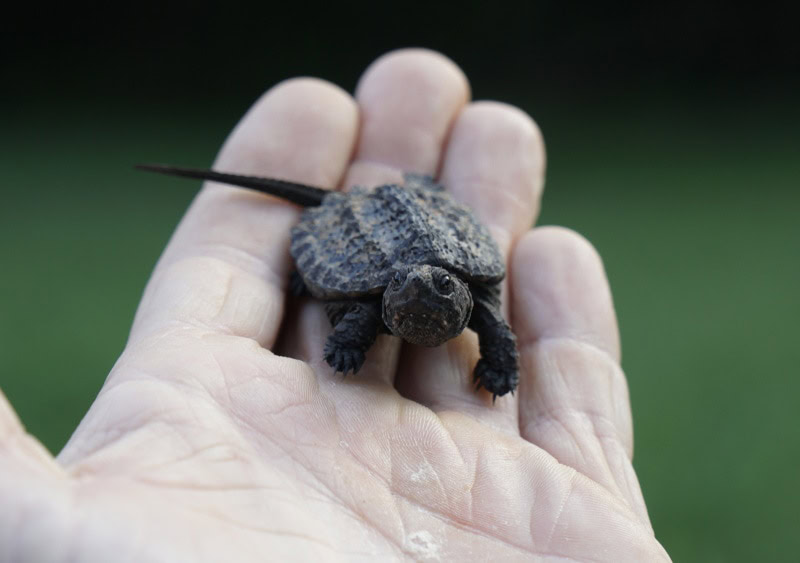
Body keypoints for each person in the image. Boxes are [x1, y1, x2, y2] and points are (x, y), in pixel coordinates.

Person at [0, 49, 670, 561]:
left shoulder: (475, 300)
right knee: (350, 310)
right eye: (418, 290)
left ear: (465, 298)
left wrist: (501, 363)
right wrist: (346, 339)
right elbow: (371, 315)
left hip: (417, 222)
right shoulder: (381, 296)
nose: (429, 294)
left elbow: (495, 330)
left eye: (443, 293)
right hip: (366, 240)